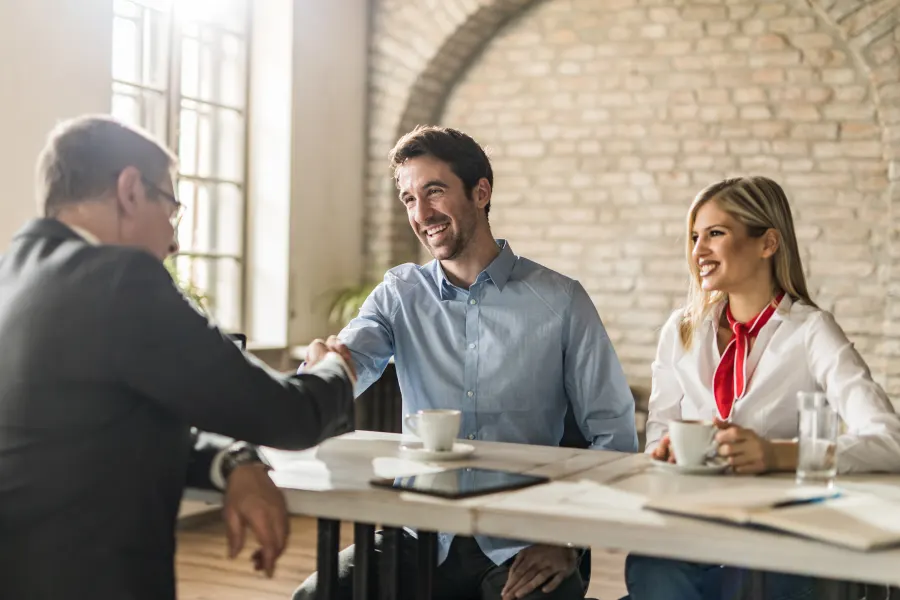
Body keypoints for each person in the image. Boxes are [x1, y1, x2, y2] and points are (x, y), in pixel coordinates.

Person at [0, 115, 357, 600]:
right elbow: (288, 416)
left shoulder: (16, 277)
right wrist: (334, 367)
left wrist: (233, 459)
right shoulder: (118, 280)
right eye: (170, 207)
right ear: (130, 190)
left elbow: (109, 426)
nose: (174, 239)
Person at [294, 125, 637, 600]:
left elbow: (614, 436)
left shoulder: (561, 301)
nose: (421, 213)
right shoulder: (399, 294)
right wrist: (325, 369)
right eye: (409, 198)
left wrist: (568, 539)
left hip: (523, 540)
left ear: (481, 192)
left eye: (434, 191)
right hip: (416, 531)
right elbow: (350, 363)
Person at [624, 176, 900, 600]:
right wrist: (667, 450)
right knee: (650, 568)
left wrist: (778, 454)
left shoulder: (811, 331)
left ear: (768, 242)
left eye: (716, 234)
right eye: (695, 236)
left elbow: (889, 440)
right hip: (690, 523)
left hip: (779, 533)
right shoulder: (680, 331)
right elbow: (659, 435)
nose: (697, 251)